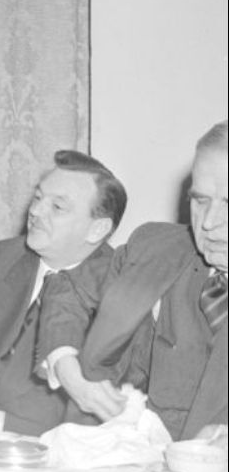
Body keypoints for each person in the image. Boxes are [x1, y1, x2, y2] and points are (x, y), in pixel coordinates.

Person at [40, 120, 228, 441]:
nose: (209, 223)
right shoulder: (156, 247)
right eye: (200, 200)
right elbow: (69, 288)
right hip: (130, 459)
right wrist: (66, 367)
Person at [0, 150, 127, 436]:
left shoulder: (121, 291)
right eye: (37, 198)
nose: (35, 212)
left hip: (50, 444)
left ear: (97, 229)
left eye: (57, 207)